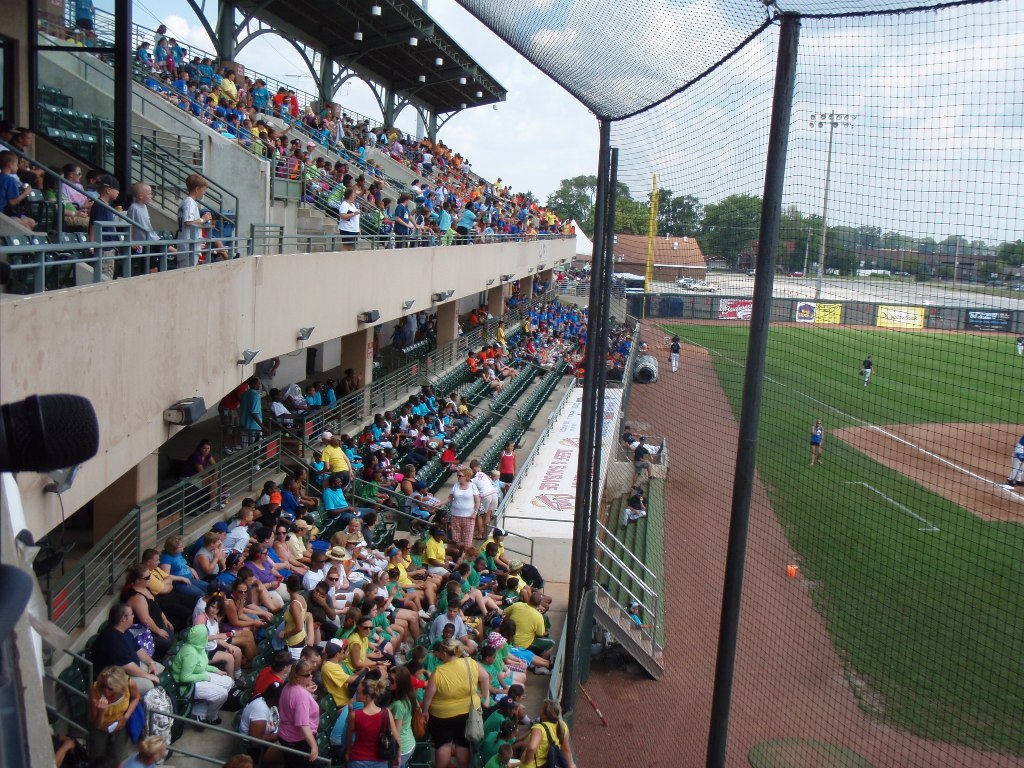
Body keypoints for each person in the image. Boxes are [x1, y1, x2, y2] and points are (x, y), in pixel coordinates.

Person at [421, 639, 491, 768]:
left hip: (441, 715)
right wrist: (485, 697)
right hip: (466, 712)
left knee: (443, 744)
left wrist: (425, 711)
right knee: (462, 743)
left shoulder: (439, 671)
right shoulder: (470, 663)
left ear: (445, 653)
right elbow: (485, 677)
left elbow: (428, 695)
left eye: (441, 653)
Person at [90, 603, 163, 694]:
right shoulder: (112, 638)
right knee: (149, 685)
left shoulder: (125, 630)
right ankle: (141, 705)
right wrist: (148, 676)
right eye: (131, 614)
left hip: (131, 667)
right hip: (115, 678)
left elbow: (138, 649)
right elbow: (127, 666)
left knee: (159, 668)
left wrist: (151, 662)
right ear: (123, 619)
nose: (133, 616)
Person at [170, 624, 234, 725]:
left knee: (228, 681)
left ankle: (200, 709)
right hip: (187, 686)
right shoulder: (190, 653)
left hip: (198, 675)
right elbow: (184, 678)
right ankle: (210, 716)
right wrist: (206, 677)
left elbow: (201, 665)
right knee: (222, 694)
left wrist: (216, 670)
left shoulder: (199, 646)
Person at [346, 673, 400, 768]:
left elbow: (349, 737)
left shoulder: (355, 715)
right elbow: (396, 737)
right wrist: (398, 756)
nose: (356, 695)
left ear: (366, 697)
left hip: (357, 759)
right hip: (380, 760)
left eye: (358, 693)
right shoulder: (386, 712)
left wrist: (348, 752)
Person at [87, 666, 140, 761]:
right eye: (103, 686)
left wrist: (125, 717)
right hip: (100, 727)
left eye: (110, 688)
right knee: (97, 757)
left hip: (120, 724)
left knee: (118, 756)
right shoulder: (94, 691)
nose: (105, 690)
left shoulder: (129, 684)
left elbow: (136, 698)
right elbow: (96, 724)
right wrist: (101, 712)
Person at [277, 659, 320, 767]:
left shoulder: (288, 686)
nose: (310, 676)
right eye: (306, 675)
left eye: (311, 673)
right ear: (297, 676)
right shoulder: (301, 696)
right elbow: (303, 725)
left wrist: (305, 690)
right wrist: (314, 746)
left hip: (286, 736)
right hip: (298, 740)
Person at [519, 699, 576, 768]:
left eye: (541, 709)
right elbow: (566, 749)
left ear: (544, 715)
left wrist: (526, 761)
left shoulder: (538, 728)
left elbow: (531, 748)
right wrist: (572, 765)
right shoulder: (563, 726)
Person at [238, 680, 283, 762]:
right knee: (291, 745)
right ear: (274, 698)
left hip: (272, 736)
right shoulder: (259, 709)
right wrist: (282, 735)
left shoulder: (269, 700)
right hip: (256, 751)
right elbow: (256, 742)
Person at [176, 173, 212, 267]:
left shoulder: (186, 202)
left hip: (187, 247)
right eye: (203, 189)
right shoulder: (190, 202)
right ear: (197, 189)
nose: (204, 192)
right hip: (189, 248)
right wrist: (202, 219)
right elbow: (188, 222)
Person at [389, 666, 419, 768]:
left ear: (400, 684)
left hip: (401, 749)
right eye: (389, 678)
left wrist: (397, 755)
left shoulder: (398, 705)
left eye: (392, 680)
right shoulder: (410, 696)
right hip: (409, 742)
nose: (389, 682)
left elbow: (396, 732)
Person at [447, 466, 480, 552]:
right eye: (457, 475)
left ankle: (466, 558)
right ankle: (457, 557)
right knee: (456, 539)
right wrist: (439, 503)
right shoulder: (456, 485)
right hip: (455, 515)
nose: (458, 477)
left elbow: (477, 501)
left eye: (460, 476)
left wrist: (475, 512)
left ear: (466, 476)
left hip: (469, 516)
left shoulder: (473, 486)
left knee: (467, 540)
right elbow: (450, 498)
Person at [338, 187, 361, 251]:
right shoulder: (344, 204)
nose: (355, 197)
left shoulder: (353, 205)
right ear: (349, 196)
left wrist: (358, 228)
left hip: (353, 229)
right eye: (353, 195)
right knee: (347, 246)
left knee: (351, 247)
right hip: (347, 229)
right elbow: (343, 216)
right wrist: (354, 214)